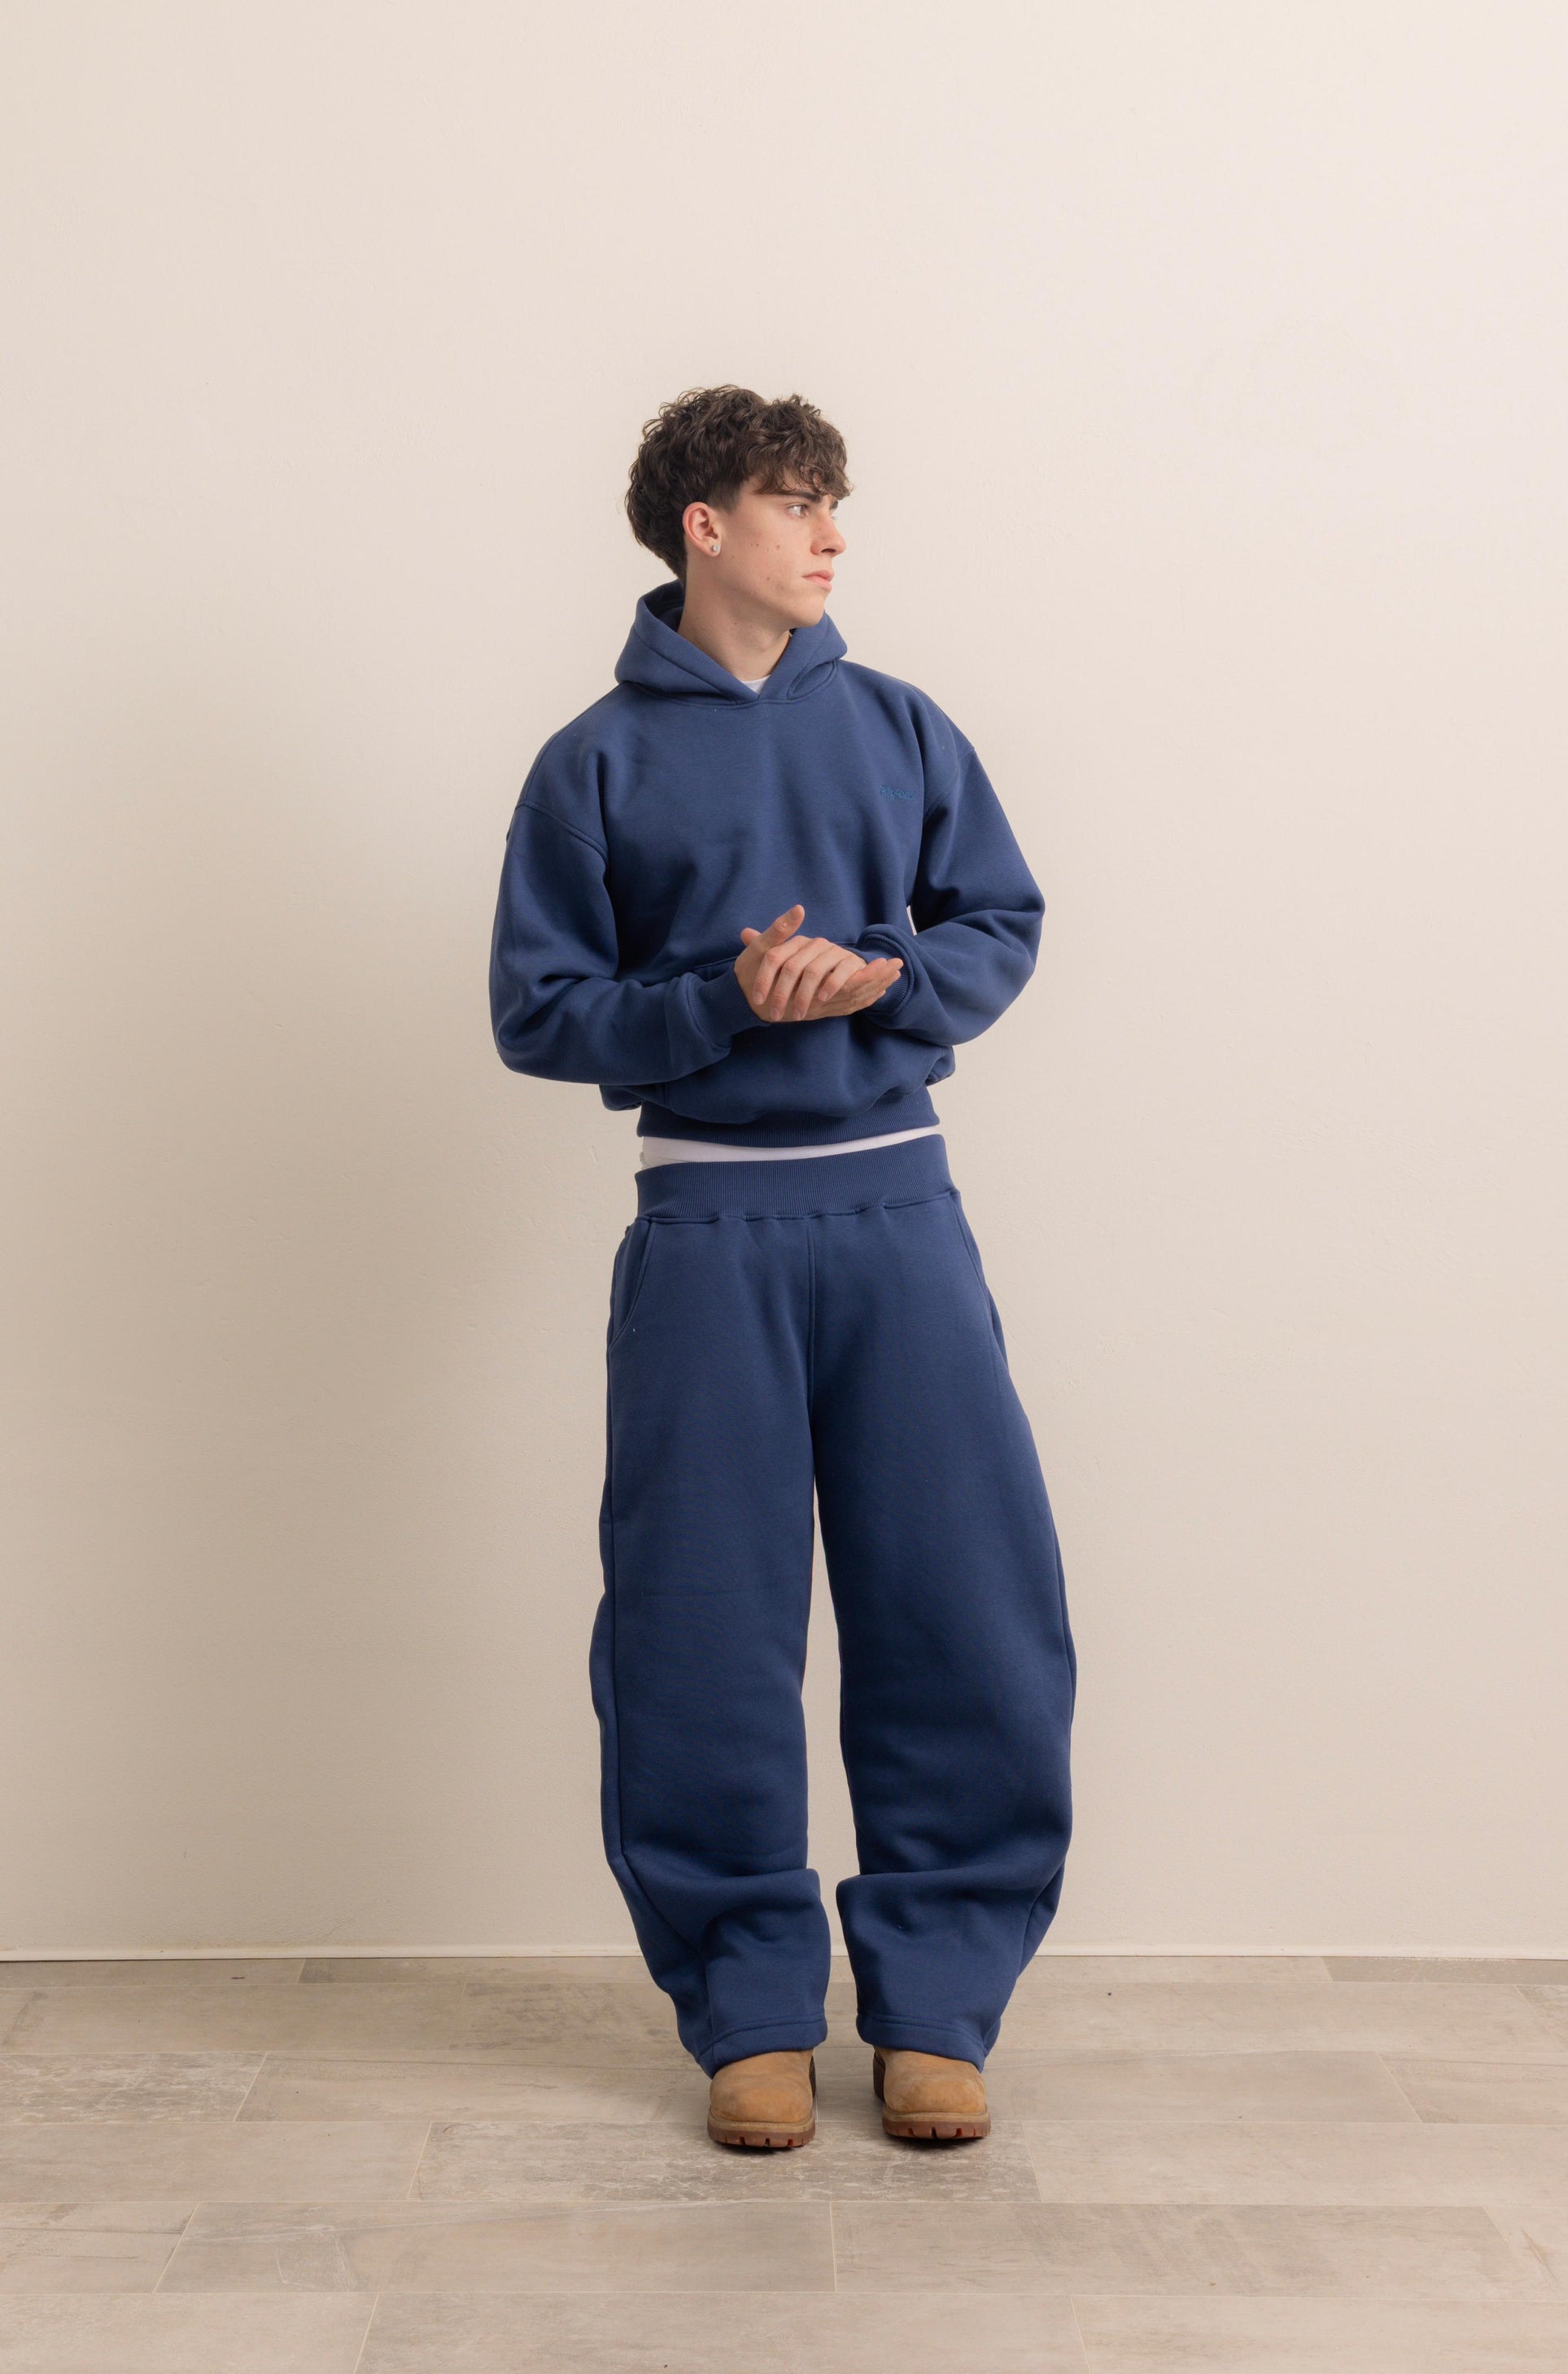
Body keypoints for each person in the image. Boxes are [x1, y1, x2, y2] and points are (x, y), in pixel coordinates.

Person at [489, 386, 1076, 2150]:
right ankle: (746, 2004)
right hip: (705, 1229)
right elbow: (539, 1012)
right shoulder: (592, 762)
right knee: (697, 1626)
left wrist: (884, 976)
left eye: (834, 504)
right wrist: (723, 999)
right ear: (705, 527)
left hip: (899, 1213)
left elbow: (1001, 921)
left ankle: (936, 2002)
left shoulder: (899, 725)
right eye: (795, 502)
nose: (829, 535)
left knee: (963, 1604)